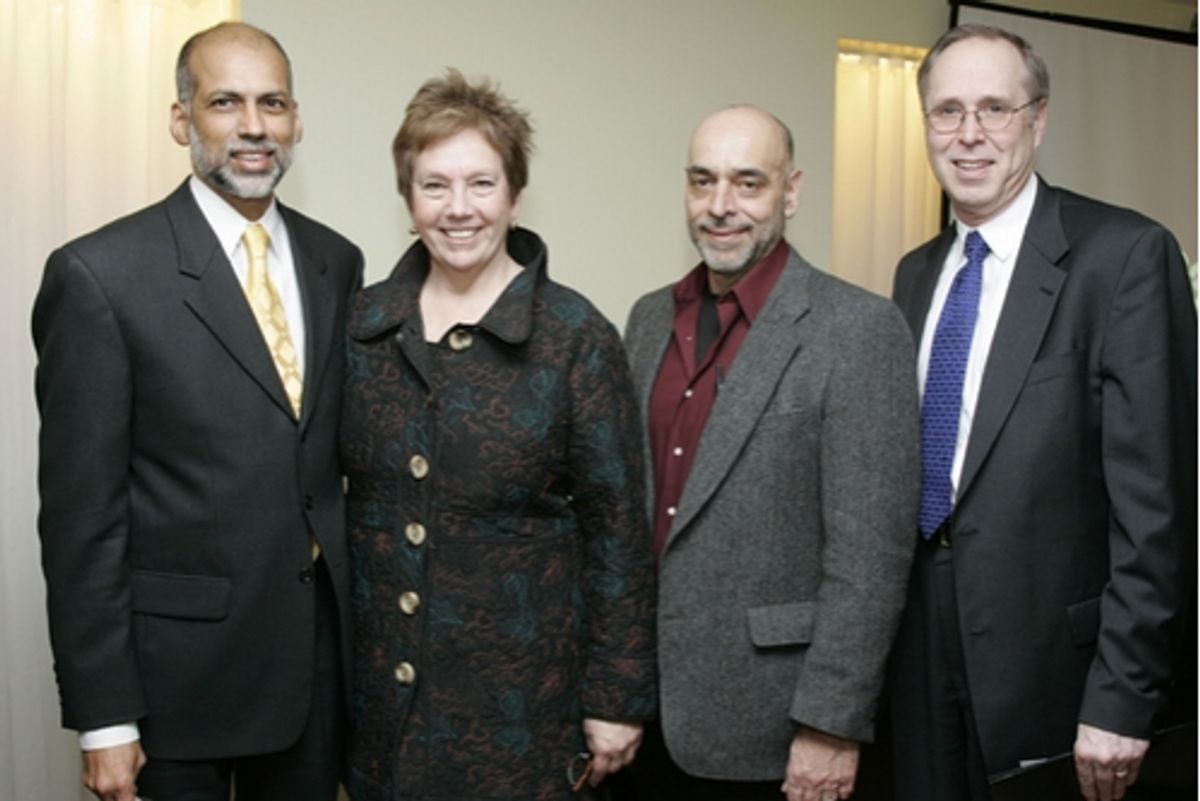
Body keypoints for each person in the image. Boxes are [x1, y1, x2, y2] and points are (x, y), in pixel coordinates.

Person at [32, 22, 362, 801]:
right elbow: (83, 520)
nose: (254, 126)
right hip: (173, 688)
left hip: (316, 678)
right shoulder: (99, 275)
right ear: (183, 120)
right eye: (226, 102)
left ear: (296, 119)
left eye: (272, 103)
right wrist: (106, 719)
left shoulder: (336, 261)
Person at [888, 24, 1197, 801]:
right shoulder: (915, 274)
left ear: (1039, 119)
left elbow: (1159, 505)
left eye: (994, 107)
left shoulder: (1123, 256)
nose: (969, 134)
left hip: (1058, 678)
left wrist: (1124, 695)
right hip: (920, 664)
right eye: (947, 111)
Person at [340, 70, 656, 801]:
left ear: (516, 197)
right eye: (434, 185)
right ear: (407, 197)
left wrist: (616, 696)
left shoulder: (576, 336)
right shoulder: (362, 328)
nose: (459, 209)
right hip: (383, 714)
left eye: (481, 184)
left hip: (525, 717)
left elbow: (617, 533)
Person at [624, 105, 918, 801]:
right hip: (648, 714)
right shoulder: (645, 319)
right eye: (702, 182)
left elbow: (870, 555)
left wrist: (831, 724)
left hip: (779, 726)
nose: (720, 206)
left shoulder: (858, 329)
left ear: (791, 191)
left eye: (748, 183)